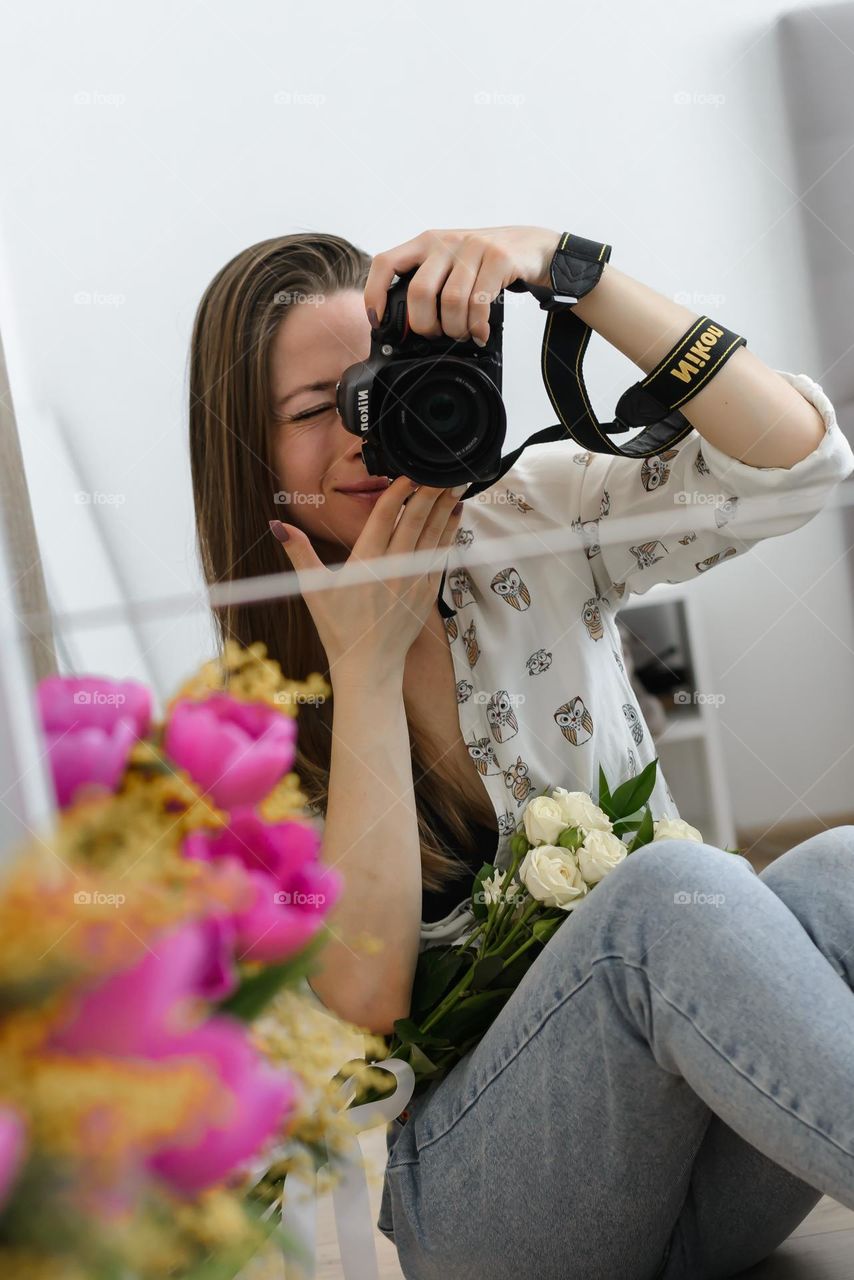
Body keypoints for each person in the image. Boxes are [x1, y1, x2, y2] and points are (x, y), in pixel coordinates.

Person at [188, 226, 854, 1278]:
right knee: (660, 894)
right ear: (250, 455)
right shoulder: (238, 728)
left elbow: (791, 468)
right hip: (502, 1218)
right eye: (318, 410)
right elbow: (362, 994)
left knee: (836, 870)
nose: (366, 430)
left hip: (695, 1185)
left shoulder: (523, 515)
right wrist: (362, 671)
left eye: (376, 384)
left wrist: (567, 267)